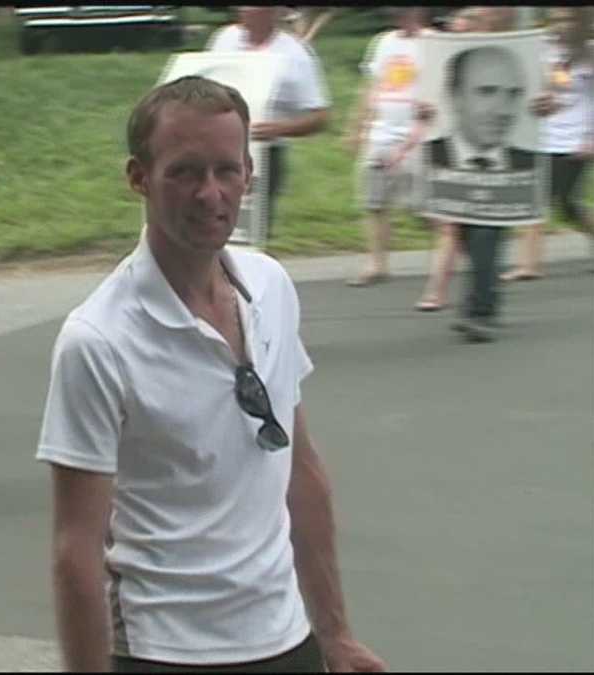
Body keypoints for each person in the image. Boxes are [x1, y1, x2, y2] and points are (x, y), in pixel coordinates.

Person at [38, 75, 386, 673]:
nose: (210, 194)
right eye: (184, 172)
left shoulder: (270, 286)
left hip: (286, 640)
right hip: (165, 650)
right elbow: (77, 550)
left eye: (227, 171)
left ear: (250, 174)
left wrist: (335, 633)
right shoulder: (97, 340)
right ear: (138, 177)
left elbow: (299, 470)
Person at [418, 6, 559, 341]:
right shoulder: (444, 54)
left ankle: (480, 311)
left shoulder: (528, 51)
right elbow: (425, 97)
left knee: (486, 234)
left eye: (509, 94)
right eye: (485, 92)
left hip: (504, 178)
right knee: (466, 233)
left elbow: (552, 93)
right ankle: (488, 293)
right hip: (452, 174)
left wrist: (547, 102)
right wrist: (424, 108)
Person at [207, 6, 330, 239]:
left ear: (273, 12)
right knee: (210, 224)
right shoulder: (224, 40)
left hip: (263, 156)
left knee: (247, 233)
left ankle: (242, 274)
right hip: (216, 150)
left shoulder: (294, 53)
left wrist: (278, 129)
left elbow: (320, 116)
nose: (245, 11)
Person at [503, 6, 594, 280]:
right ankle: (529, 264)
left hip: (576, 140)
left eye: (568, 19)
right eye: (556, 19)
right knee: (566, 205)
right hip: (543, 136)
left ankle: (529, 265)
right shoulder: (542, 48)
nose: (561, 25)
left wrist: (593, 138)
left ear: (580, 22)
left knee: (542, 200)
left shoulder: (591, 53)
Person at [345, 7, 435, 287]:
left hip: (417, 134)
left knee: (421, 205)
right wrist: (358, 126)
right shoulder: (384, 42)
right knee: (375, 201)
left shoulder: (434, 42)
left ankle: (454, 248)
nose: (397, 15)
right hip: (381, 132)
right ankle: (376, 263)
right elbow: (372, 86)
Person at [413, 6, 487, 312]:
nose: (460, 27)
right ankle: (479, 272)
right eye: (459, 24)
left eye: (469, 23)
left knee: (459, 224)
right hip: (447, 146)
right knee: (448, 222)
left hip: (483, 151)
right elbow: (425, 102)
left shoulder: (494, 60)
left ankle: (439, 289)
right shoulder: (440, 61)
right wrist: (424, 112)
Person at [427, 45, 536, 171]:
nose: (504, 111)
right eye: (487, 92)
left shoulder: (538, 167)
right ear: (454, 96)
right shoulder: (419, 159)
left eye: (514, 94)